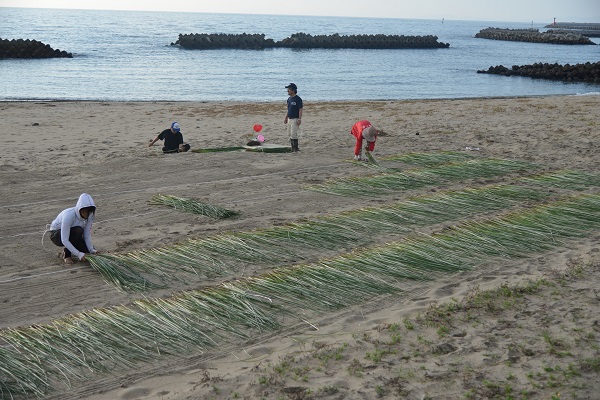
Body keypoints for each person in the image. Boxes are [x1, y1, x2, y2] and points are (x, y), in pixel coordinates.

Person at [49, 193, 98, 265]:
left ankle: (77, 248)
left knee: (86, 250)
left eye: (89, 211)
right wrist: (78, 254)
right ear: (80, 209)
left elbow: (86, 233)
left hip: (73, 235)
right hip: (56, 235)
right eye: (85, 211)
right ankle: (66, 254)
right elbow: (64, 239)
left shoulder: (90, 215)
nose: (86, 214)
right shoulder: (69, 215)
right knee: (78, 230)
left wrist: (91, 250)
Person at [284, 83, 303, 152]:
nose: (287, 91)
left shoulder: (298, 99)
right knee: (289, 134)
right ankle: (292, 148)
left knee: (293, 134)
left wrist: (299, 118)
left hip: (295, 119)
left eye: (289, 89)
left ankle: (295, 148)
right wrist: (286, 117)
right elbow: (289, 109)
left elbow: (300, 109)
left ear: (293, 90)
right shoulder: (289, 99)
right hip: (289, 118)